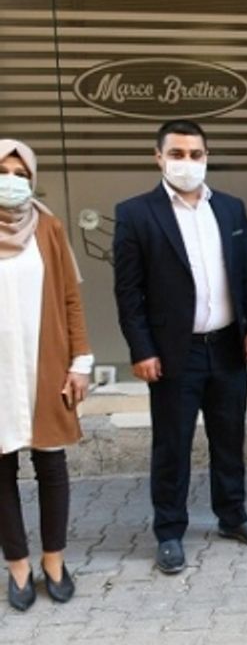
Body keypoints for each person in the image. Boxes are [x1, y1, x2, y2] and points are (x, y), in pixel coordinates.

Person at [114, 119, 247, 576]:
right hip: (173, 353)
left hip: (226, 346)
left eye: (196, 154)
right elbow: (128, 293)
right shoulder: (136, 214)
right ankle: (169, 531)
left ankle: (233, 515)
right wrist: (142, 350)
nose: (187, 162)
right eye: (177, 154)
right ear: (158, 157)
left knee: (229, 437)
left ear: (207, 157)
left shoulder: (229, 208)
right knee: (173, 444)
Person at [0, 140, 91, 610]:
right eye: (3, 170)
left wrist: (80, 362)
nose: (12, 180)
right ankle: (17, 565)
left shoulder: (49, 227)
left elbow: (71, 299)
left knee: (51, 465)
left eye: (21, 173)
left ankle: (54, 559)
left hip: (45, 362)